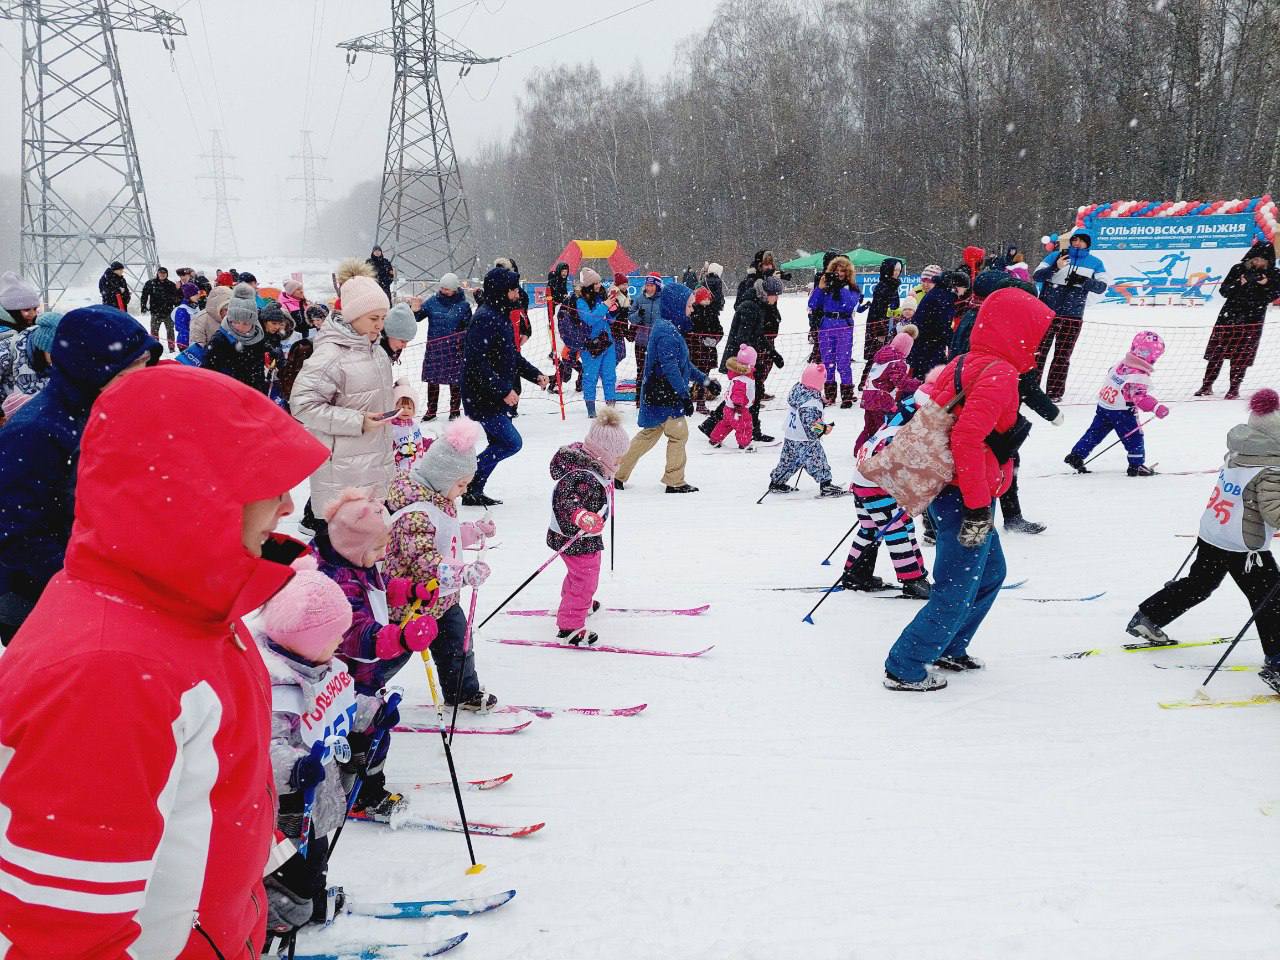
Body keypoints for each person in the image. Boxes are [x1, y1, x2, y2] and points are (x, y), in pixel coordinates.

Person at [0, 363, 325, 956]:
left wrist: (267, 851)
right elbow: (62, 935)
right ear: (196, 493)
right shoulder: (108, 672)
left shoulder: (191, 609)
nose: (285, 507)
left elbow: (200, 782)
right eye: (269, 484)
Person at [882, 287, 1053, 691]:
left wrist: (1000, 445)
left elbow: (954, 422)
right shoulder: (999, 373)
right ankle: (905, 665)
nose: (1038, 342)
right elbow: (965, 438)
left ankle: (949, 646)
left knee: (992, 572)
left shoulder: (967, 361)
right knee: (956, 589)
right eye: (1034, 332)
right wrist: (978, 506)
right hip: (965, 498)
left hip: (953, 491)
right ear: (1017, 331)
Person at [0, 305, 160, 643]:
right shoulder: (35, 431)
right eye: (128, 371)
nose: (141, 379)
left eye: (145, 365)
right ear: (90, 369)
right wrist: (90, 580)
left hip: (101, 586)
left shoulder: (110, 409)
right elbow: (14, 533)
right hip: (38, 598)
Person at [256, 565, 390, 936]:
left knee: (318, 853)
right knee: (292, 870)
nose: (342, 641)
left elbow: (340, 705)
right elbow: (264, 747)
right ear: (310, 640)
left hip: (324, 791)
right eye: (335, 635)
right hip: (292, 806)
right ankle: (275, 925)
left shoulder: (323, 666)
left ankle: (312, 904)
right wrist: (295, 768)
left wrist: (374, 712)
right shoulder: (277, 687)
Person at [1127, 389, 1280, 686]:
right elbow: (1275, 512)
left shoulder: (1240, 452)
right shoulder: (1271, 468)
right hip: (1244, 546)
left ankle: (1149, 616)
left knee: (1201, 582)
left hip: (1214, 533)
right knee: (1271, 598)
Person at [313, 490, 433, 817]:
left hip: (363, 675)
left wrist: (408, 591)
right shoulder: (336, 584)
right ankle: (364, 796)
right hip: (345, 678)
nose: (383, 556)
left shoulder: (353, 560)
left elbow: (379, 585)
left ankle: (355, 785)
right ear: (355, 547)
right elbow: (357, 635)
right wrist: (404, 639)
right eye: (378, 549)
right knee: (368, 737)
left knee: (366, 735)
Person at [384, 419, 497, 711]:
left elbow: (446, 535)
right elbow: (425, 561)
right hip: (413, 601)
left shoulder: (438, 498)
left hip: (444, 600)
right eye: (460, 484)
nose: (462, 491)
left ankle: (462, 691)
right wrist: (463, 573)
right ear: (442, 477)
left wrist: (473, 530)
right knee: (394, 651)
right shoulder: (414, 513)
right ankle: (362, 689)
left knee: (458, 646)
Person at [292, 263, 394, 535]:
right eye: (374, 318)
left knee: (368, 555)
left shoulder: (376, 352)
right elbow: (302, 405)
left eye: (383, 318)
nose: (379, 326)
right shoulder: (330, 355)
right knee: (341, 560)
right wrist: (357, 421)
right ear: (353, 316)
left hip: (373, 467)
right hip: (343, 476)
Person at [460, 266, 549, 506]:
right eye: (512, 289)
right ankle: (467, 478)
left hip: (491, 395)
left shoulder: (500, 315)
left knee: (499, 443)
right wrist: (503, 390)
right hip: (482, 397)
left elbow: (510, 355)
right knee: (511, 442)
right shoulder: (485, 318)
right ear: (501, 291)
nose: (517, 293)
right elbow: (476, 363)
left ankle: (473, 489)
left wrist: (535, 375)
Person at [614, 281, 714, 493]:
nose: (692, 309)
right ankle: (674, 480)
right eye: (688, 306)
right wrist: (684, 396)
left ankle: (617, 473)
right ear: (676, 307)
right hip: (665, 395)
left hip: (659, 394)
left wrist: (705, 380)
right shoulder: (667, 333)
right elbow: (671, 369)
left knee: (649, 434)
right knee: (678, 434)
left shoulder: (669, 328)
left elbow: (683, 364)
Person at [548, 408, 628, 645]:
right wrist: (580, 515)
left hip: (580, 536)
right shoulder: (582, 475)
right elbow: (566, 500)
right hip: (574, 537)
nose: (620, 462)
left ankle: (574, 601)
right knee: (586, 577)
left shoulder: (593, 468)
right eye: (617, 457)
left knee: (582, 573)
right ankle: (570, 625)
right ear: (603, 454)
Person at [843, 388, 932, 599]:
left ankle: (856, 574)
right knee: (898, 529)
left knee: (871, 529)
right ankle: (913, 580)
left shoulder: (895, 422)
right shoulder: (901, 433)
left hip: (863, 484)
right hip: (876, 487)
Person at [1064, 331, 1169, 477]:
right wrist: (1156, 407)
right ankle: (1136, 465)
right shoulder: (1138, 375)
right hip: (1122, 411)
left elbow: (1111, 373)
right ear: (1152, 356)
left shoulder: (1122, 364)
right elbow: (1140, 398)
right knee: (1134, 437)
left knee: (1095, 432)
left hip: (1105, 405)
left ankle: (1076, 455)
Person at [704, 275, 786, 442]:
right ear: (767, 293)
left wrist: (773, 353)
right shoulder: (750, 307)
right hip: (741, 358)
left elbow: (758, 334)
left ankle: (711, 424)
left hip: (747, 357)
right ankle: (752, 430)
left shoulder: (758, 304)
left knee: (743, 393)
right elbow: (744, 337)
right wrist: (749, 361)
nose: (776, 299)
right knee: (750, 393)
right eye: (775, 295)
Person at [1196, 240, 1280, 399]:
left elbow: (1273, 296)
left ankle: (1234, 388)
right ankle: (1206, 385)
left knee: (1241, 355)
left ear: (1269, 260)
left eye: (1262, 260)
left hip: (1252, 320)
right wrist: (1238, 283)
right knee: (1217, 352)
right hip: (1229, 317)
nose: (1258, 262)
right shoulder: (1238, 269)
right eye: (1255, 259)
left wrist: (1266, 283)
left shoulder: (1274, 274)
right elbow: (1224, 291)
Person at [1032, 230, 1109, 401]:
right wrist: (1055, 267)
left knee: (1062, 355)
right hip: (1047, 313)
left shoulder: (1096, 263)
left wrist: (1083, 281)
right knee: (1038, 352)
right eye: (1075, 239)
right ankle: (1031, 389)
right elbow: (1037, 275)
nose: (1077, 243)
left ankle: (1054, 392)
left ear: (1088, 244)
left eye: (1082, 241)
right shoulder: (1055, 256)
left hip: (1073, 316)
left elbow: (1102, 287)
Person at [766, 362, 844, 497]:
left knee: (789, 460)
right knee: (817, 460)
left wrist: (820, 400)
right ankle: (826, 484)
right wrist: (824, 429)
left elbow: (803, 408)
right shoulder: (811, 403)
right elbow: (810, 423)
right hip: (805, 438)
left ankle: (777, 481)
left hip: (791, 434)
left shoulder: (799, 390)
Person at [414, 272, 472, 420]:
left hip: (455, 349)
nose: (444, 291)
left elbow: (468, 327)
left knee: (455, 381)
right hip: (434, 348)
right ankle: (431, 411)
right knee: (432, 380)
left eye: (447, 289)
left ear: (454, 289)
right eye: (442, 288)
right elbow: (418, 317)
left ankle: (454, 411)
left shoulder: (463, 305)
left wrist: (462, 341)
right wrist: (415, 309)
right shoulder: (432, 301)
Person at [808, 254, 862, 408]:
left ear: (848, 273)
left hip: (844, 325)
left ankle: (847, 394)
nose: (839, 274)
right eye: (836, 271)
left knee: (843, 361)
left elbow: (850, 304)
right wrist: (820, 288)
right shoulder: (826, 288)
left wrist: (841, 287)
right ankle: (830, 394)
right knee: (827, 361)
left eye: (843, 271)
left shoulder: (851, 288)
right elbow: (812, 304)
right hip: (826, 325)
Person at [857, 327, 919, 453]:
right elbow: (901, 382)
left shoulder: (881, 357)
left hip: (868, 396)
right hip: (881, 399)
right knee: (882, 427)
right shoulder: (897, 362)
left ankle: (859, 449)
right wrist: (917, 383)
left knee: (869, 427)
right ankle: (876, 452)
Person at [204, 283, 268, 393]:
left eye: (246, 323)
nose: (240, 327)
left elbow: (258, 369)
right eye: (236, 322)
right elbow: (209, 373)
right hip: (227, 393)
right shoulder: (219, 340)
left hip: (253, 393)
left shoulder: (258, 336)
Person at [907, 270, 967, 378]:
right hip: (928, 346)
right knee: (929, 377)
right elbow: (942, 326)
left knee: (921, 376)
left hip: (924, 344)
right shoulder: (945, 298)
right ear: (957, 286)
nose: (964, 292)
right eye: (964, 288)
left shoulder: (939, 292)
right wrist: (954, 345)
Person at [576, 268, 618, 417]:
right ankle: (591, 411)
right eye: (596, 283)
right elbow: (590, 319)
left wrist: (613, 309)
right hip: (591, 346)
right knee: (590, 377)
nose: (599, 285)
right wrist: (605, 305)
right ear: (588, 285)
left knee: (610, 376)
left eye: (600, 282)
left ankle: (611, 408)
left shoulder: (601, 297)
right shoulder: (581, 301)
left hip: (607, 342)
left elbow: (611, 320)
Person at [859, 258, 903, 389]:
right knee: (875, 355)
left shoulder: (893, 284)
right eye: (895, 270)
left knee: (888, 354)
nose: (897, 273)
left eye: (899, 270)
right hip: (879, 327)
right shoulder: (882, 286)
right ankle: (864, 381)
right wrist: (879, 331)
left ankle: (883, 380)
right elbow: (876, 311)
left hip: (890, 324)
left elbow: (894, 305)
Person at [709, 344, 758, 451]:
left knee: (726, 424)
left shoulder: (739, 374)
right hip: (738, 409)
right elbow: (738, 392)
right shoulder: (743, 378)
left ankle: (714, 439)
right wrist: (738, 406)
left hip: (728, 408)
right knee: (744, 425)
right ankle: (744, 444)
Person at [688, 286, 724, 412]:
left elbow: (719, 330)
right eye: (705, 299)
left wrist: (715, 340)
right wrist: (699, 340)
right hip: (695, 350)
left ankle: (701, 403)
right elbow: (689, 331)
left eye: (708, 299)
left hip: (709, 351)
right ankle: (688, 399)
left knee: (705, 376)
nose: (708, 301)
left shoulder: (712, 313)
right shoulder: (693, 312)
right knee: (692, 374)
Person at [629, 273, 663, 407]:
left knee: (658, 371)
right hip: (641, 341)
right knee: (641, 371)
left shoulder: (663, 299)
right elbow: (630, 317)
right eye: (647, 285)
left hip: (658, 342)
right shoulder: (639, 299)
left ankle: (656, 397)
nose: (649, 288)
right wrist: (638, 314)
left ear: (658, 286)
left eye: (652, 285)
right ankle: (640, 399)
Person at [389, 380, 429, 473]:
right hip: (401, 471)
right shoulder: (392, 428)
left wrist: (429, 443)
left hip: (417, 467)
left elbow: (418, 439)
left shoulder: (414, 425)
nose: (405, 411)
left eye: (409, 408)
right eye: (401, 407)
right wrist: (399, 454)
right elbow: (388, 450)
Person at [140, 266, 180, 351]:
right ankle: (154, 347)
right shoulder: (150, 283)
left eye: (164, 273)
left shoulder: (171, 285)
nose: (162, 275)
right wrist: (143, 306)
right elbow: (144, 296)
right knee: (154, 331)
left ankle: (172, 347)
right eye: (160, 273)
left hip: (168, 312)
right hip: (155, 312)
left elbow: (176, 299)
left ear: (166, 274)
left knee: (170, 331)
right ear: (157, 274)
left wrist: (178, 290)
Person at [190, 283, 233, 348]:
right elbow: (196, 348)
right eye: (226, 310)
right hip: (210, 356)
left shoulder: (237, 318)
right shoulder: (200, 320)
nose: (229, 313)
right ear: (217, 308)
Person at [172, 281, 200, 350]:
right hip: (186, 344)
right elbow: (182, 329)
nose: (198, 296)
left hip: (196, 342)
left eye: (198, 294)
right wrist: (188, 344)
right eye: (195, 294)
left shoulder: (195, 306)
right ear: (188, 296)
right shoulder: (182, 310)